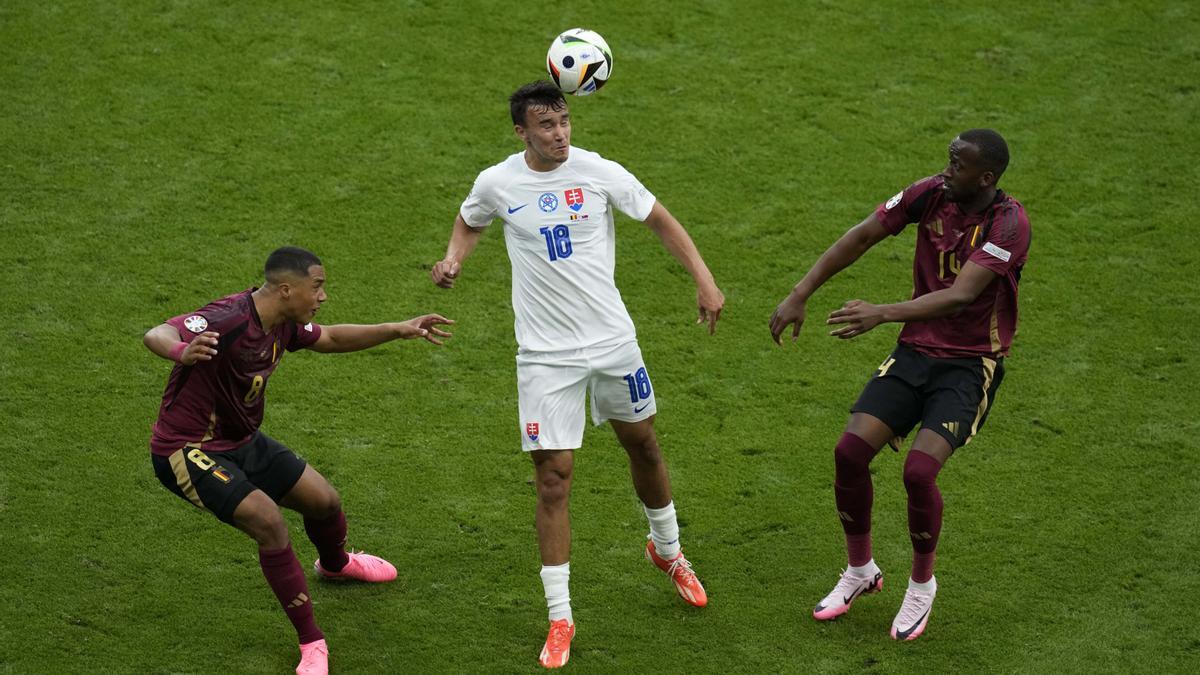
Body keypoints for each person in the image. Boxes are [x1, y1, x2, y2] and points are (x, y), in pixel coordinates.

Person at [431, 81, 725, 668]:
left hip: (614, 344)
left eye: (563, 120)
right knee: (554, 478)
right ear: (521, 132)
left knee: (643, 445)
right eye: (545, 124)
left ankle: (667, 551)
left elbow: (661, 220)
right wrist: (454, 259)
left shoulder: (599, 172)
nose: (559, 133)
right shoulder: (498, 183)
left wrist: (704, 278)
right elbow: (469, 220)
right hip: (544, 358)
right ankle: (560, 616)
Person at [769, 129, 1030, 641]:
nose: (946, 169)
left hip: (970, 365)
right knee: (848, 453)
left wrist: (881, 313)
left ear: (987, 177)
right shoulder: (930, 192)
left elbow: (960, 296)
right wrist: (801, 292)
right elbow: (863, 234)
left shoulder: (1008, 224)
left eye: (959, 164)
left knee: (918, 471)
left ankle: (921, 585)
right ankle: (861, 571)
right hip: (914, 355)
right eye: (949, 159)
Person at [144, 246, 453, 675]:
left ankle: (336, 565)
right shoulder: (228, 319)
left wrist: (397, 329)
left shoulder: (284, 322)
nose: (322, 296)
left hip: (241, 440)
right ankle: (311, 641)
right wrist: (182, 351)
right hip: (186, 449)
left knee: (324, 500)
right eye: (318, 286)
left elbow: (329, 337)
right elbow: (157, 332)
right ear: (286, 289)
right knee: (268, 522)